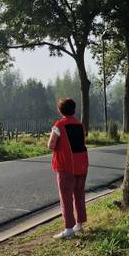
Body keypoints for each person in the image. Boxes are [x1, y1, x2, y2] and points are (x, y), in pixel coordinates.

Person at [48, 98, 89, 239]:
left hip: (66, 165)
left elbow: (51, 145)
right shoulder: (79, 124)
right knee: (79, 194)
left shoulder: (58, 125)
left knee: (66, 197)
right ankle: (80, 224)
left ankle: (68, 229)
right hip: (82, 164)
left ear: (60, 110)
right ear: (74, 109)